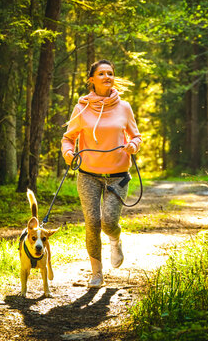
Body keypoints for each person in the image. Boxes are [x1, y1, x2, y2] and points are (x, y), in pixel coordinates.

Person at [61, 59, 142, 288]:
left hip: (118, 175)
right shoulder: (82, 108)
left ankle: (115, 239)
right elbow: (69, 138)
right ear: (92, 80)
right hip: (88, 174)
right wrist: (69, 153)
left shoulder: (124, 107)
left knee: (108, 222)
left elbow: (135, 136)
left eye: (110, 73)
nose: (107, 76)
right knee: (92, 223)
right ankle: (97, 274)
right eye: (102, 73)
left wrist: (133, 146)